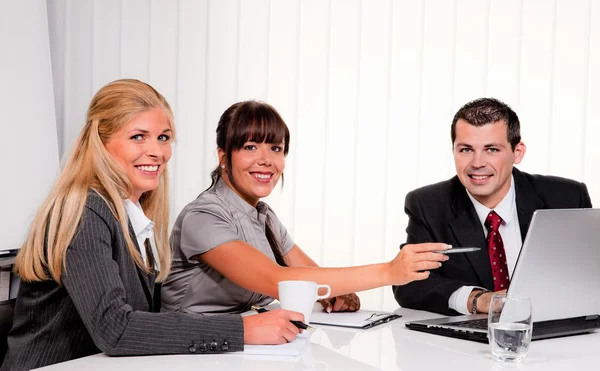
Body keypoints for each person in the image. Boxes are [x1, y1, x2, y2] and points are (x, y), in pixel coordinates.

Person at [1, 80, 306, 371]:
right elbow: (115, 329)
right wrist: (241, 329)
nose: (157, 152)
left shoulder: (131, 216)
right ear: (102, 143)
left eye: (163, 137)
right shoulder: (86, 211)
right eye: (138, 137)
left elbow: (140, 316)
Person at [161, 100, 449, 315]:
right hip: (190, 352)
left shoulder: (264, 216)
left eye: (276, 148)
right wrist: (389, 271)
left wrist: (337, 293)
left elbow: (308, 273)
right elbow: (279, 281)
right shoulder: (202, 216)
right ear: (224, 156)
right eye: (250, 147)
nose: (266, 160)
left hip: (246, 344)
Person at [392, 97, 592, 316]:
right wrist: (477, 299)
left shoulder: (567, 198)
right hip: (469, 343)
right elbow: (409, 283)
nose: (477, 163)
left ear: (518, 152)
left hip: (562, 333)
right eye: (466, 150)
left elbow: (590, 275)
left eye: (492, 149)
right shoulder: (428, 204)